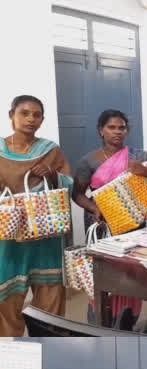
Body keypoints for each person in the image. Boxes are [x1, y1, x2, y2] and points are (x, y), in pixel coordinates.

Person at [72, 109, 147, 329]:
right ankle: (100, 323)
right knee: (103, 274)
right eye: (112, 127)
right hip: (100, 224)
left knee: (130, 273)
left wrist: (143, 171)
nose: (118, 132)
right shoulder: (89, 161)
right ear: (101, 130)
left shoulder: (139, 156)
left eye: (122, 127)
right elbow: (77, 193)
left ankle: (127, 321)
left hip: (132, 222)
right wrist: (94, 208)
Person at [0, 95, 72, 337]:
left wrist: (52, 175)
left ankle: (50, 352)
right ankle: (11, 356)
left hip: (46, 233)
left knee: (50, 296)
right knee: (6, 299)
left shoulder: (50, 150)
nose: (31, 119)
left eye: (37, 115)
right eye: (24, 113)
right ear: (12, 115)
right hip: (9, 235)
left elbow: (69, 185)